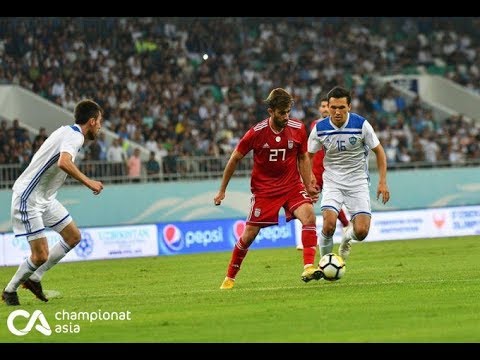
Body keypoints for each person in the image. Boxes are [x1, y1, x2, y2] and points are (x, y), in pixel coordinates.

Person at [214, 88, 321, 290]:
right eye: (282, 113)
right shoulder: (255, 133)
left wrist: (308, 184)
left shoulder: (298, 128)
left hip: (291, 185)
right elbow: (235, 158)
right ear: (271, 111)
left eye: (288, 112)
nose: (286, 117)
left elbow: (302, 157)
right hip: (264, 191)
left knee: (309, 216)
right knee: (249, 235)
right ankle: (229, 277)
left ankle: (308, 266)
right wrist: (222, 190)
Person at [2, 99, 104, 306]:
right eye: (100, 122)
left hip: (45, 199)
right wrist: (89, 182)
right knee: (40, 255)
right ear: (92, 121)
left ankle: (34, 278)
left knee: (73, 236)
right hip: (28, 197)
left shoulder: (67, 131)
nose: (101, 127)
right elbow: (63, 162)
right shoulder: (74, 137)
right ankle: (9, 291)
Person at [307, 86, 390, 261]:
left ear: (349, 107)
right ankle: (325, 263)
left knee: (361, 232)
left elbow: (380, 152)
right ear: (328, 107)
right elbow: (308, 155)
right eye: (333, 107)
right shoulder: (320, 129)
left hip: (357, 182)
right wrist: (309, 178)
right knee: (328, 225)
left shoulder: (361, 125)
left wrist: (382, 182)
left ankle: (346, 238)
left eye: (342, 107)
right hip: (332, 182)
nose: (337, 112)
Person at [296, 96, 350, 251]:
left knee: (333, 202)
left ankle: (346, 226)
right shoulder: (315, 125)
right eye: (323, 106)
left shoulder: (340, 125)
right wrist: (308, 171)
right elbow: (309, 149)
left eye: (328, 106)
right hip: (316, 171)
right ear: (320, 109)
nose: (325, 108)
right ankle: (306, 238)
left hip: (332, 169)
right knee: (306, 204)